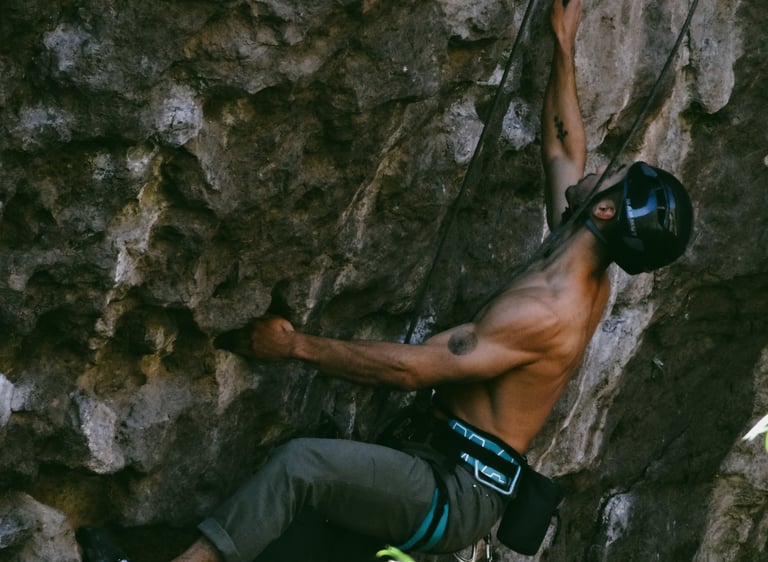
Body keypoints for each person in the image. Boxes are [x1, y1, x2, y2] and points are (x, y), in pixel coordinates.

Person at [169, 0, 693, 560]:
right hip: (441, 461)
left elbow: (412, 370)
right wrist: (563, 43)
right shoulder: (578, 244)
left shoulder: (548, 311)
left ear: (606, 211)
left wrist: (294, 346)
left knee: (303, 464)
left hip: (453, 492)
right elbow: (563, 147)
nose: (600, 168)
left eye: (613, 174)